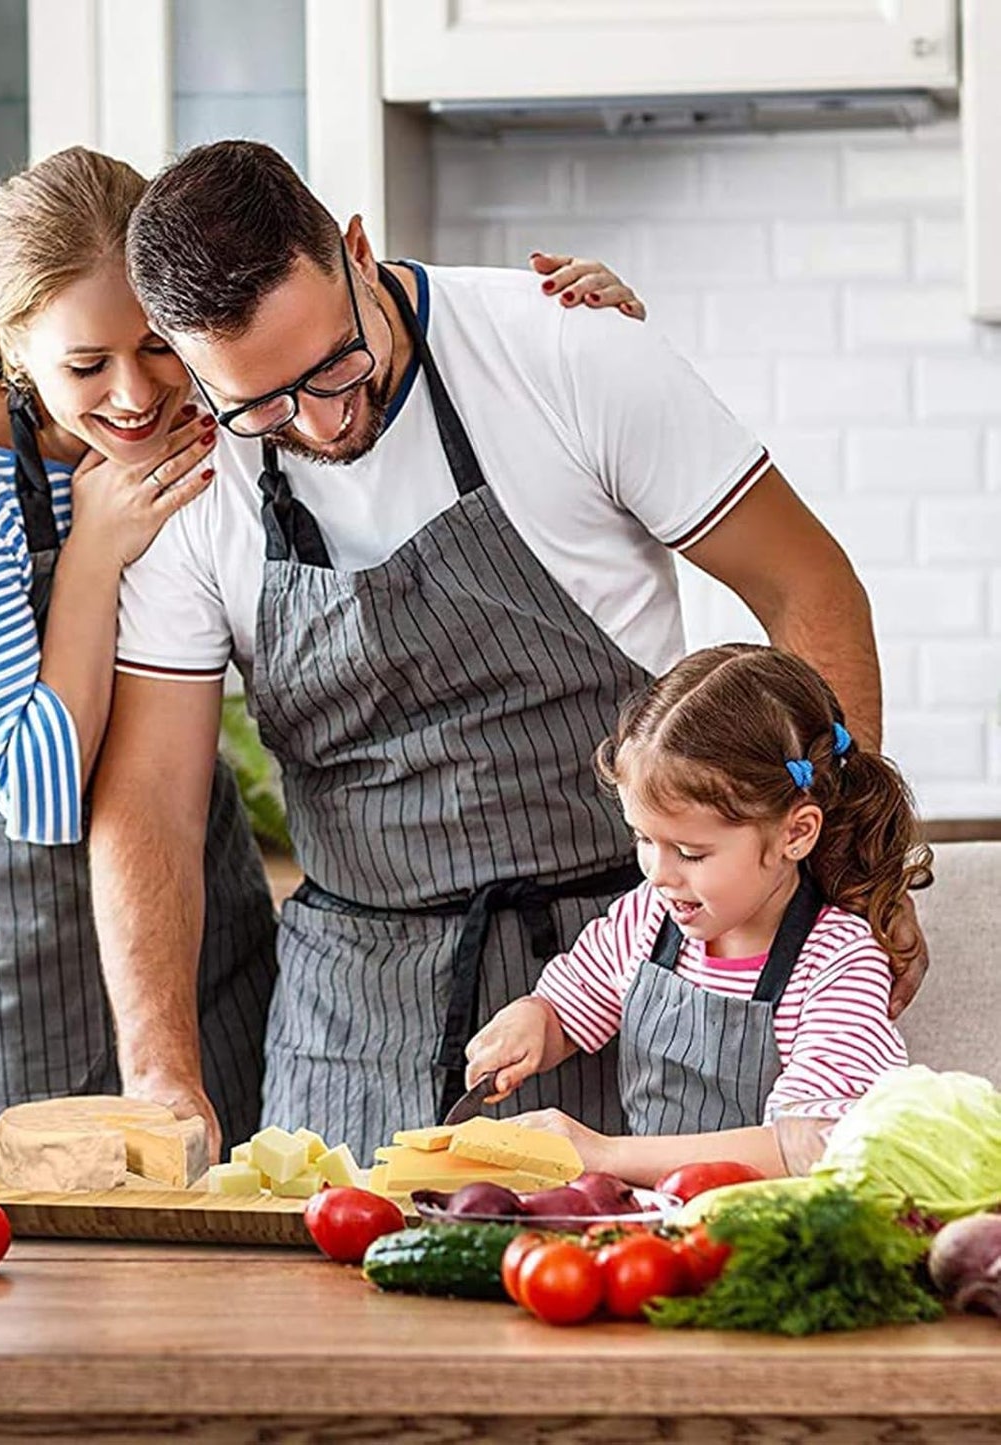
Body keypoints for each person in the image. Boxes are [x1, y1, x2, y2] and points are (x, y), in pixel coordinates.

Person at [89, 139, 915, 1165]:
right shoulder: (190, 477)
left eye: (333, 366)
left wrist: (823, 882)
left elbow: (808, 587)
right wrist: (159, 1066)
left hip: (622, 971)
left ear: (354, 249)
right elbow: (152, 797)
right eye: (261, 405)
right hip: (352, 1008)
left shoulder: (565, 351)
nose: (324, 421)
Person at [0, 145, 645, 1177]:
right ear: (12, 347)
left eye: (158, 348)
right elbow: (42, 791)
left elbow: (332, 320)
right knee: (60, 1261)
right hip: (26, 929)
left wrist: (565, 314)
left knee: (232, 1199)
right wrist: (94, 560)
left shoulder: (212, 424)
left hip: (198, 902)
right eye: (84, 366)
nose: (133, 394)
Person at [463, 643, 929, 1183]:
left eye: (691, 853)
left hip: (766, 1234)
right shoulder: (646, 919)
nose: (658, 873)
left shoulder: (837, 961)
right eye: (644, 839)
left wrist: (605, 1156)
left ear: (795, 833)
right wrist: (533, 1021)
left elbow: (815, 1146)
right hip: (645, 1232)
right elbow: (568, 1010)